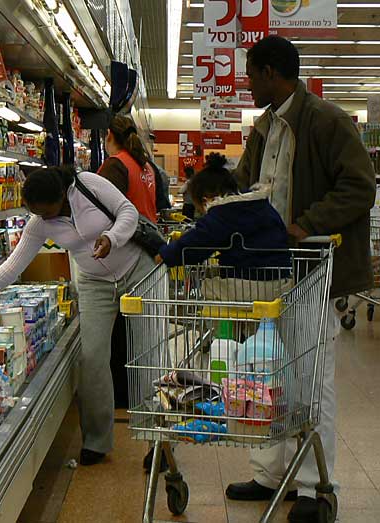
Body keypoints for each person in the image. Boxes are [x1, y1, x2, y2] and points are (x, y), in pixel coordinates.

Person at [228, 35, 376, 523]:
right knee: (274, 374)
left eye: (251, 74)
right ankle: (273, 475)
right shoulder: (265, 128)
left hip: (314, 270)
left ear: (272, 72)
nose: (247, 83)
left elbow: (360, 187)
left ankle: (316, 487)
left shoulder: (326, 121)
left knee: (314, 379)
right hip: (269, 272)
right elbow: (250, 188)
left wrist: (308, 222)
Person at [0, 165, 155, 466]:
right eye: (35, 211)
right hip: (94, 283)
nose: (42, 217)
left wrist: (111, 238)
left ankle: (159, 442)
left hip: (138, 271)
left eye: (45, 211)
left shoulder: (87, 185)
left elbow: (127, 212)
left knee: (149, 354)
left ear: (61, 196)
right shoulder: (39, 223)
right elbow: (14, 265)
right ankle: (97, 441)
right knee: (92, 357)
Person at [157, 153, 290, 272]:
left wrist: (165, 255)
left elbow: (198, 242)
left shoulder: (224, 212)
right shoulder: (258, 204)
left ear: (206, 199)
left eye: (201, 208)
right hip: (277, 276)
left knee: (207, 287)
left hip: (251, 281)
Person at [97, 115, 158, 222]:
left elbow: (102, 208)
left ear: (109, 135)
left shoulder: (115, 165)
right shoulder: (146, 165)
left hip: (127, 234)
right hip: (147, 232)